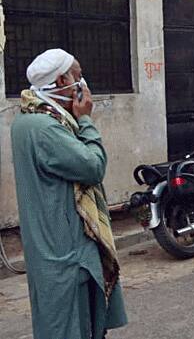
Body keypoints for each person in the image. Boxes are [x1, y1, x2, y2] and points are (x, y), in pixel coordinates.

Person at [10, 49, 127, 339]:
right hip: (66, 252)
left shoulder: (29, 120)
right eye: (78, 74)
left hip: (53, 249)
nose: (82, 82)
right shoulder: (45, 127)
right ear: (63, 79)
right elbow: (92, 166)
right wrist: (86, 120)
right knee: (72, 327)